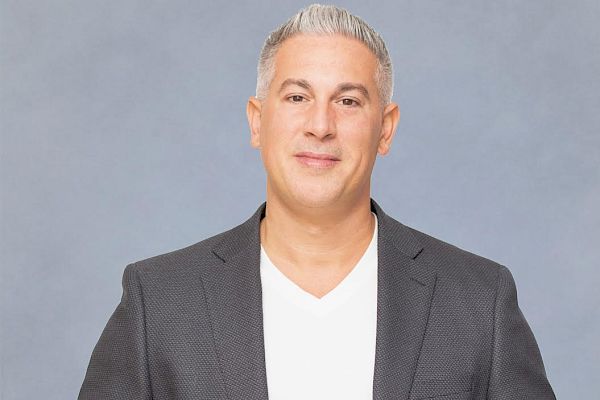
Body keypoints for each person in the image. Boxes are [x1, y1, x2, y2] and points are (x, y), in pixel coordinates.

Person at [79, 4, 556, 399]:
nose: (321, 125)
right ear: (257, 122)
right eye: (296, 97)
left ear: (385, 128)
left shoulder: (478, 300)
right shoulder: (159, 301)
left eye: (348, 101)